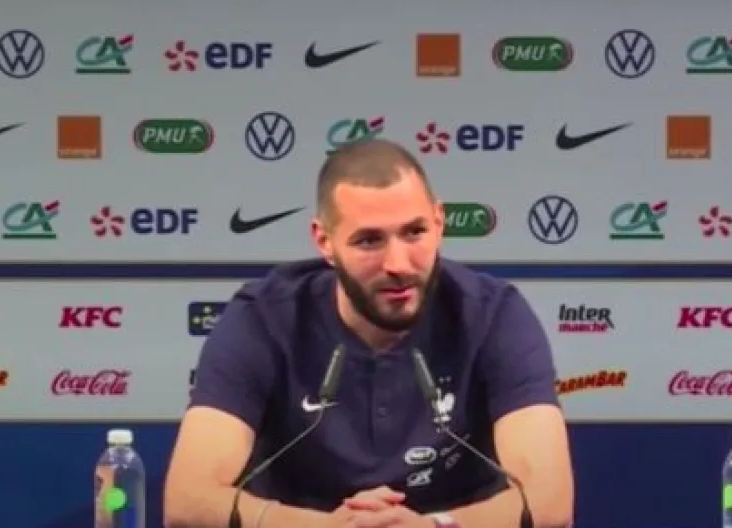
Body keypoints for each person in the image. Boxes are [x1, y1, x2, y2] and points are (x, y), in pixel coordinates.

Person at [164, 138, 574, 528]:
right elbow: (187, 501)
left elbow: (550, 502)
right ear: (325, 241)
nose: (398, 264)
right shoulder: (263, 317)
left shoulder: (494, 314)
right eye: (369, 241)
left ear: (439, 223)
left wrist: (433, 527)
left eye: (414, 232)